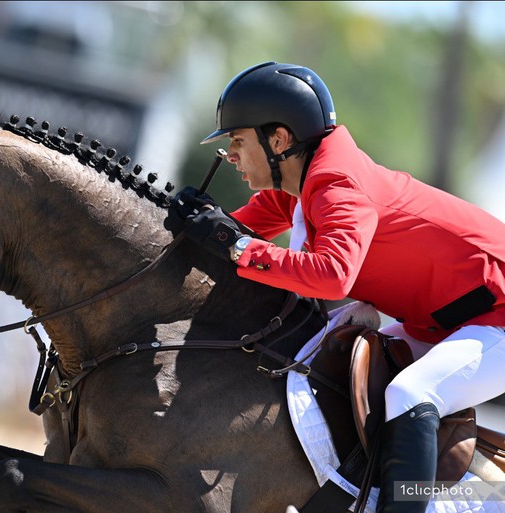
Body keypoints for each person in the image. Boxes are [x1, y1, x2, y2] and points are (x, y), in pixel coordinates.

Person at [172, 61, 505, 513]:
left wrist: (233, 244)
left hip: (498, 312)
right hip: (443, 319)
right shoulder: (300, 184)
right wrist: (187, 222)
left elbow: (332, 275)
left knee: (412, 394)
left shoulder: (338, 184)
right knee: (318, 360)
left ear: (279, 140)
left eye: (237, 140)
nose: (230, 154)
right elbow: (235, 233)